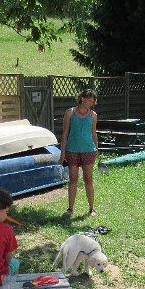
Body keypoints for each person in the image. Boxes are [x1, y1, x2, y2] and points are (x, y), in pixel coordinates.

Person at [59, 88, 98, 217]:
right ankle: (70, 209)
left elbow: (94, 134)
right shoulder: (70, 112)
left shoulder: (93, 115)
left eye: (92, 101)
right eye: (89, 100)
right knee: (73, 179)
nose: (91, 103)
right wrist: (62, 153)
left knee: (88, 179)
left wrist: (97, 149)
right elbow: (65, 133)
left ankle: (92, 209)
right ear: (82, 99)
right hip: (72, 150)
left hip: (88, 150)